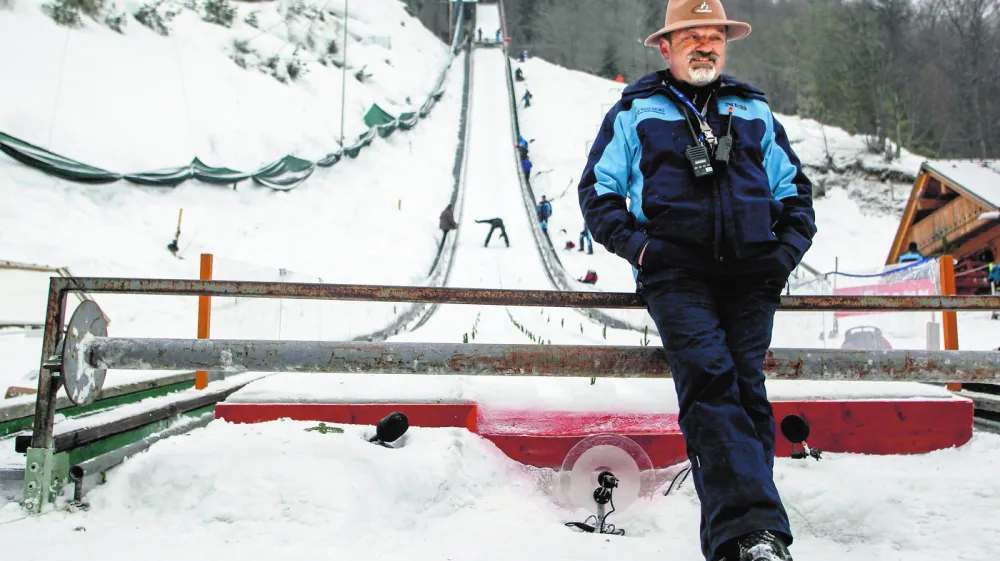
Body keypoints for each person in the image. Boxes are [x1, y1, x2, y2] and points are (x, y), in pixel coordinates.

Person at [577, 1, 815, 560]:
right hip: (677, 274)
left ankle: (747, 538)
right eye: (692, 37)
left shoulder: (754, 109)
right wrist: (642, 249)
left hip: (753, 274)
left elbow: (794, 192)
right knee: (710, 380)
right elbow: (598, 191)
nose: (705, 46)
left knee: (746, 392)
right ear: (666, 47)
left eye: (715, 37)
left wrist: (781, 255)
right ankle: (753, 535)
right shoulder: (635, 112)